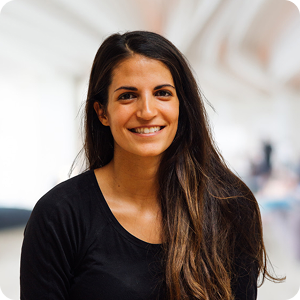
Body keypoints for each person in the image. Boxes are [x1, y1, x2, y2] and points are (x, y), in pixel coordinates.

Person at [20, 31, 281, 300]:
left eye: (162, 93)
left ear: (182, 105)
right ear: (102, 112)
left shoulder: (230, 206)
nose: (146, 111)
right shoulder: (59, 216)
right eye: (127, 96)